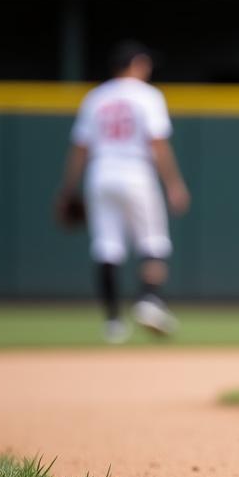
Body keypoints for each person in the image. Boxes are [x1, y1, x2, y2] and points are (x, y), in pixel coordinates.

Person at [56, 42, 190, 344]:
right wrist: (173, 183)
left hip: (100, 173)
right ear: (137, 64)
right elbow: (157, 143)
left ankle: (113, 322)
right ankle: (149, 300)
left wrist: (67, 189)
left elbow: (80, 148)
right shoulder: (148, 95)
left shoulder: (95, 97)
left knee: (106, 245)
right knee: (153, 240)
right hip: (136, 171)